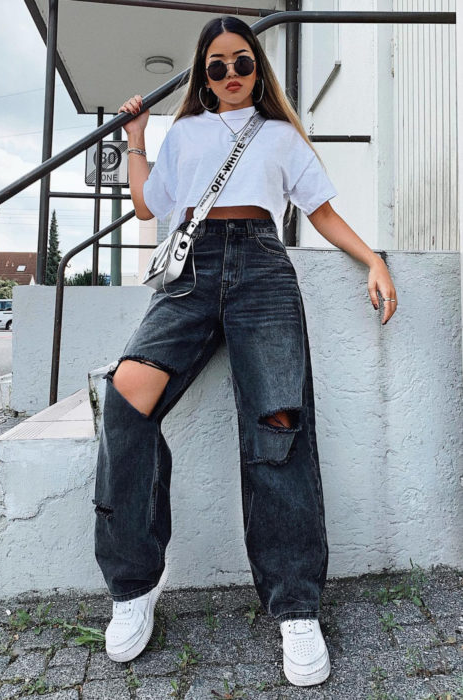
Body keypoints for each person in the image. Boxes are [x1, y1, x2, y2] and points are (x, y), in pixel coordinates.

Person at [92, 15, 398, 687]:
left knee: (278, 426)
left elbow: (318, 210)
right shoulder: (188, 133)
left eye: (243, 63)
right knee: (125, 398)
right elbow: (149, 208)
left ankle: (294, 604)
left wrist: (372, 258)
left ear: (259, 68)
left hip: (262, 269)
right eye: (217, 67)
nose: (232, 76)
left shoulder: (282, 136)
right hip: (192, 274)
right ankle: (135, 584)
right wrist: (138, 141)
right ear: (203, 76)